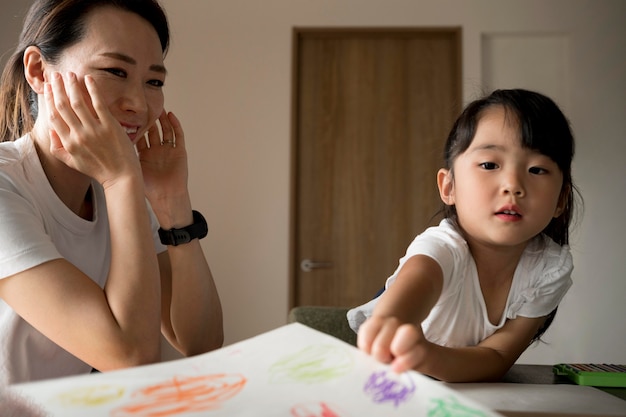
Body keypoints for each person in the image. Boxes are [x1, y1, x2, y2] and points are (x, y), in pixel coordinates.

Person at [0, 0, 223, 385]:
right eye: (114, 71)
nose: (139, 104)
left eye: (154, 81)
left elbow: (200, 343)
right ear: (38, 70)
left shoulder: (115, 190)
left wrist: (173, 203)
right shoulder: (10, 185)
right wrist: (123, 180)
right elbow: (133, 357)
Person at [347, 89, 581, 383]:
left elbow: (496, 358)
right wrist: (392, 321)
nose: (513, 184)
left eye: (537, 169)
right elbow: (420, 282)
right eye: (489, 165)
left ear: (560, 199)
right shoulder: (443, 247)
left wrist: (426, 356)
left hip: (446, 381)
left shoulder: (550, 267)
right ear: (449, 187)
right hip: (369, 365)